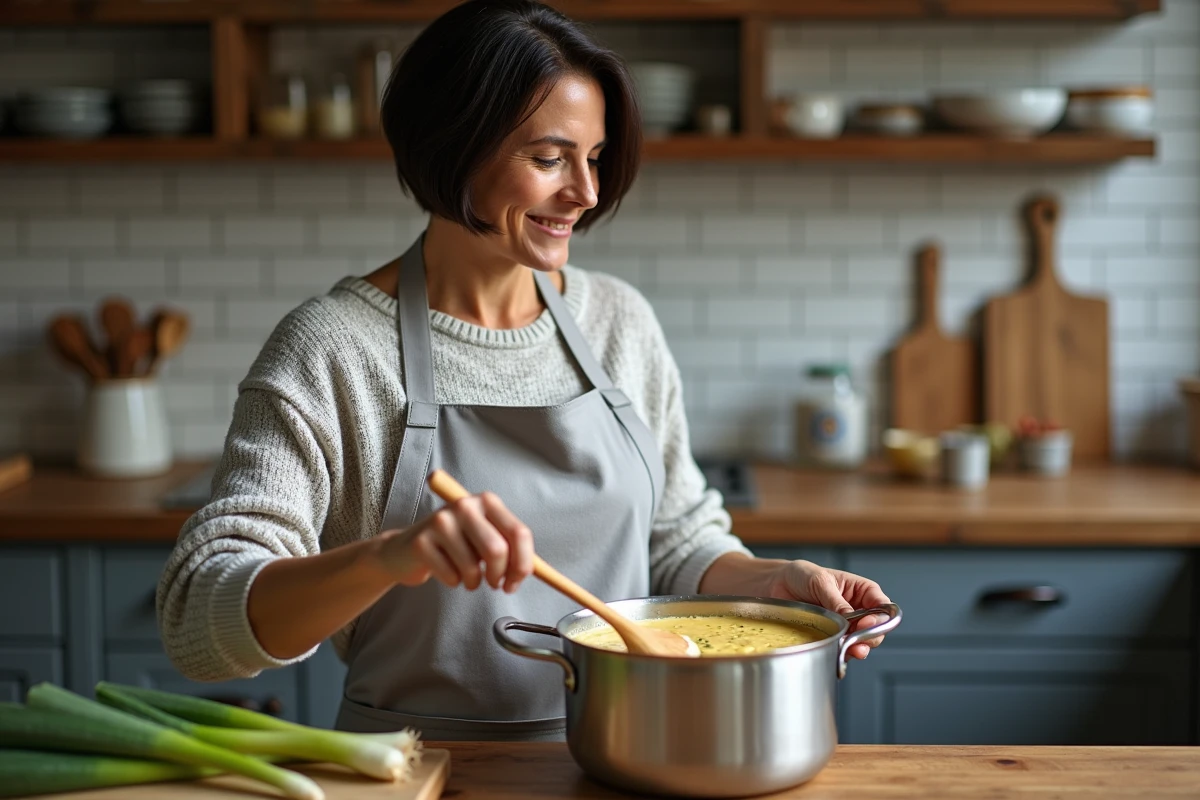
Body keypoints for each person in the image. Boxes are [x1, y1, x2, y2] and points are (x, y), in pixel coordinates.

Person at [157, 0, 891, 742]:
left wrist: (772, 583)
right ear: (454, 147)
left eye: (594, 157)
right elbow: (197, 620)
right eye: (549, 159)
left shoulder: (618, 321)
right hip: (419, 771)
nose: (587, 192)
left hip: (624, 757)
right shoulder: (334, 349)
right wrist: (389, 557)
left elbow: (673, 543)